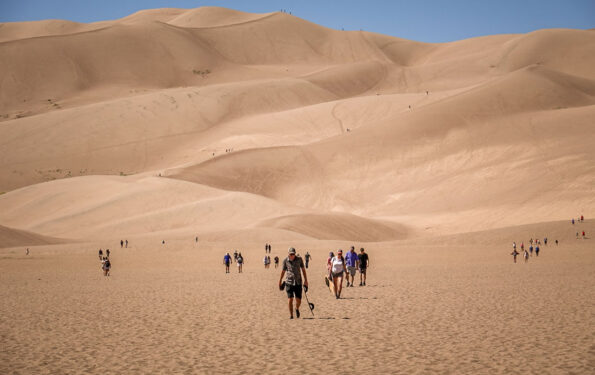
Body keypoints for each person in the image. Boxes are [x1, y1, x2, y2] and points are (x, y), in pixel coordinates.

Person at [278, 247, 308, 319]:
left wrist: (306, 280)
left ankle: (297, 308)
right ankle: (291, 315)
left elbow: (303, 270)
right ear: (288, 254)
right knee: (290, 299)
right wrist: (280, 281)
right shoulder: (285, 261)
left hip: (298, 282)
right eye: (291, 254)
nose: (292, 255)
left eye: (293, 254)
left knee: (298, 300)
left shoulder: (299, 259)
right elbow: (283, 271)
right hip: (289, 282)